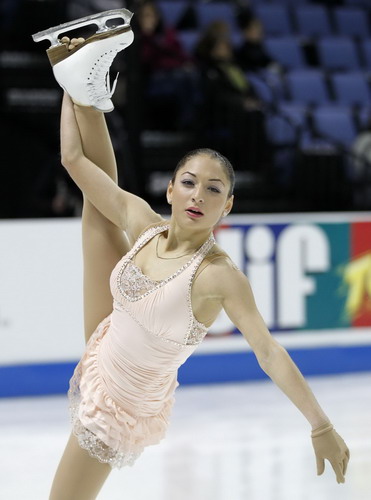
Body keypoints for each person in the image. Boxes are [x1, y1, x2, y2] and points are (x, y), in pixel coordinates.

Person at [32, 9, 349, 500]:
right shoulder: (143, 224)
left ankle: (82, 83)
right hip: (107, 337)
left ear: (228, 206)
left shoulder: (218, 276)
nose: (199, 195)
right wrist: (67, 87)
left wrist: (320, 423)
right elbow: (73, 162)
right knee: (99, 208)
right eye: (189, 183)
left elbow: (269, 351)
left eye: (213, 189)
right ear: (172, 191)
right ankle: (87, 84)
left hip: (121, 401)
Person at [195, 24, 270, 173]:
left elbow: (247, 87)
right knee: (249, 117)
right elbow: (216, 96)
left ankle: (258, 165)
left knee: (257, 115)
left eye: (227, 47)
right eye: (221, 47)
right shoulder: (209, 70)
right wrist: (242, 103)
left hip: (240, 110)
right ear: (212, 50)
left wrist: (252, 100)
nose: (226, 50)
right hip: (221, 113)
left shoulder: (234, 67)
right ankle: (245, 165)